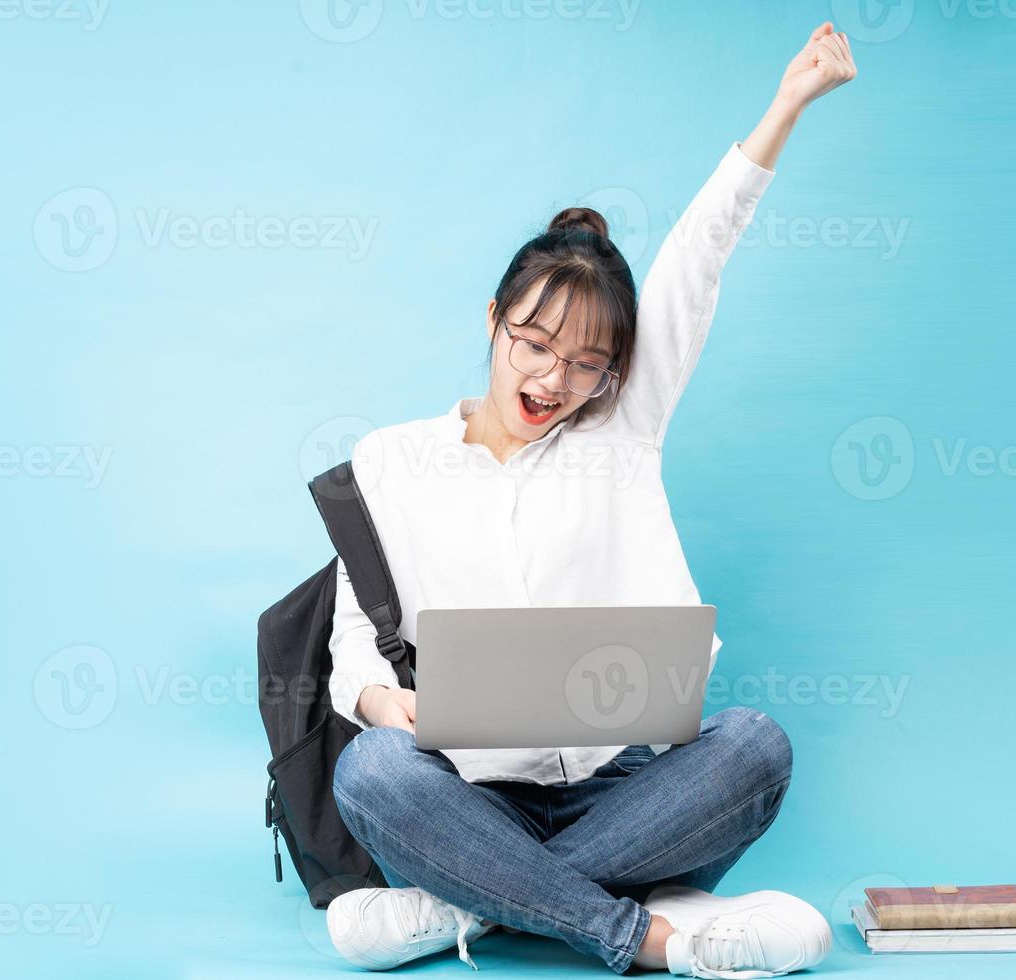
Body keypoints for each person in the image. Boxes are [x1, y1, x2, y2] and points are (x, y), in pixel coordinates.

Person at [324, 23, 858, 978]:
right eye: (533, 344)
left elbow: (697, 264)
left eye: (584, 364)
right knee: (370, 771)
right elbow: (352, 640)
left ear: (612, 374)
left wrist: (786, 106)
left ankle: (468, 905)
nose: (551, 379)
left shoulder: (620, 434)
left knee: (755, 747)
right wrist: (376, 696)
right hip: (465, 794)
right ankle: (651, 935)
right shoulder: (390, 460)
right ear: (493, 322)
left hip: (619, 794)